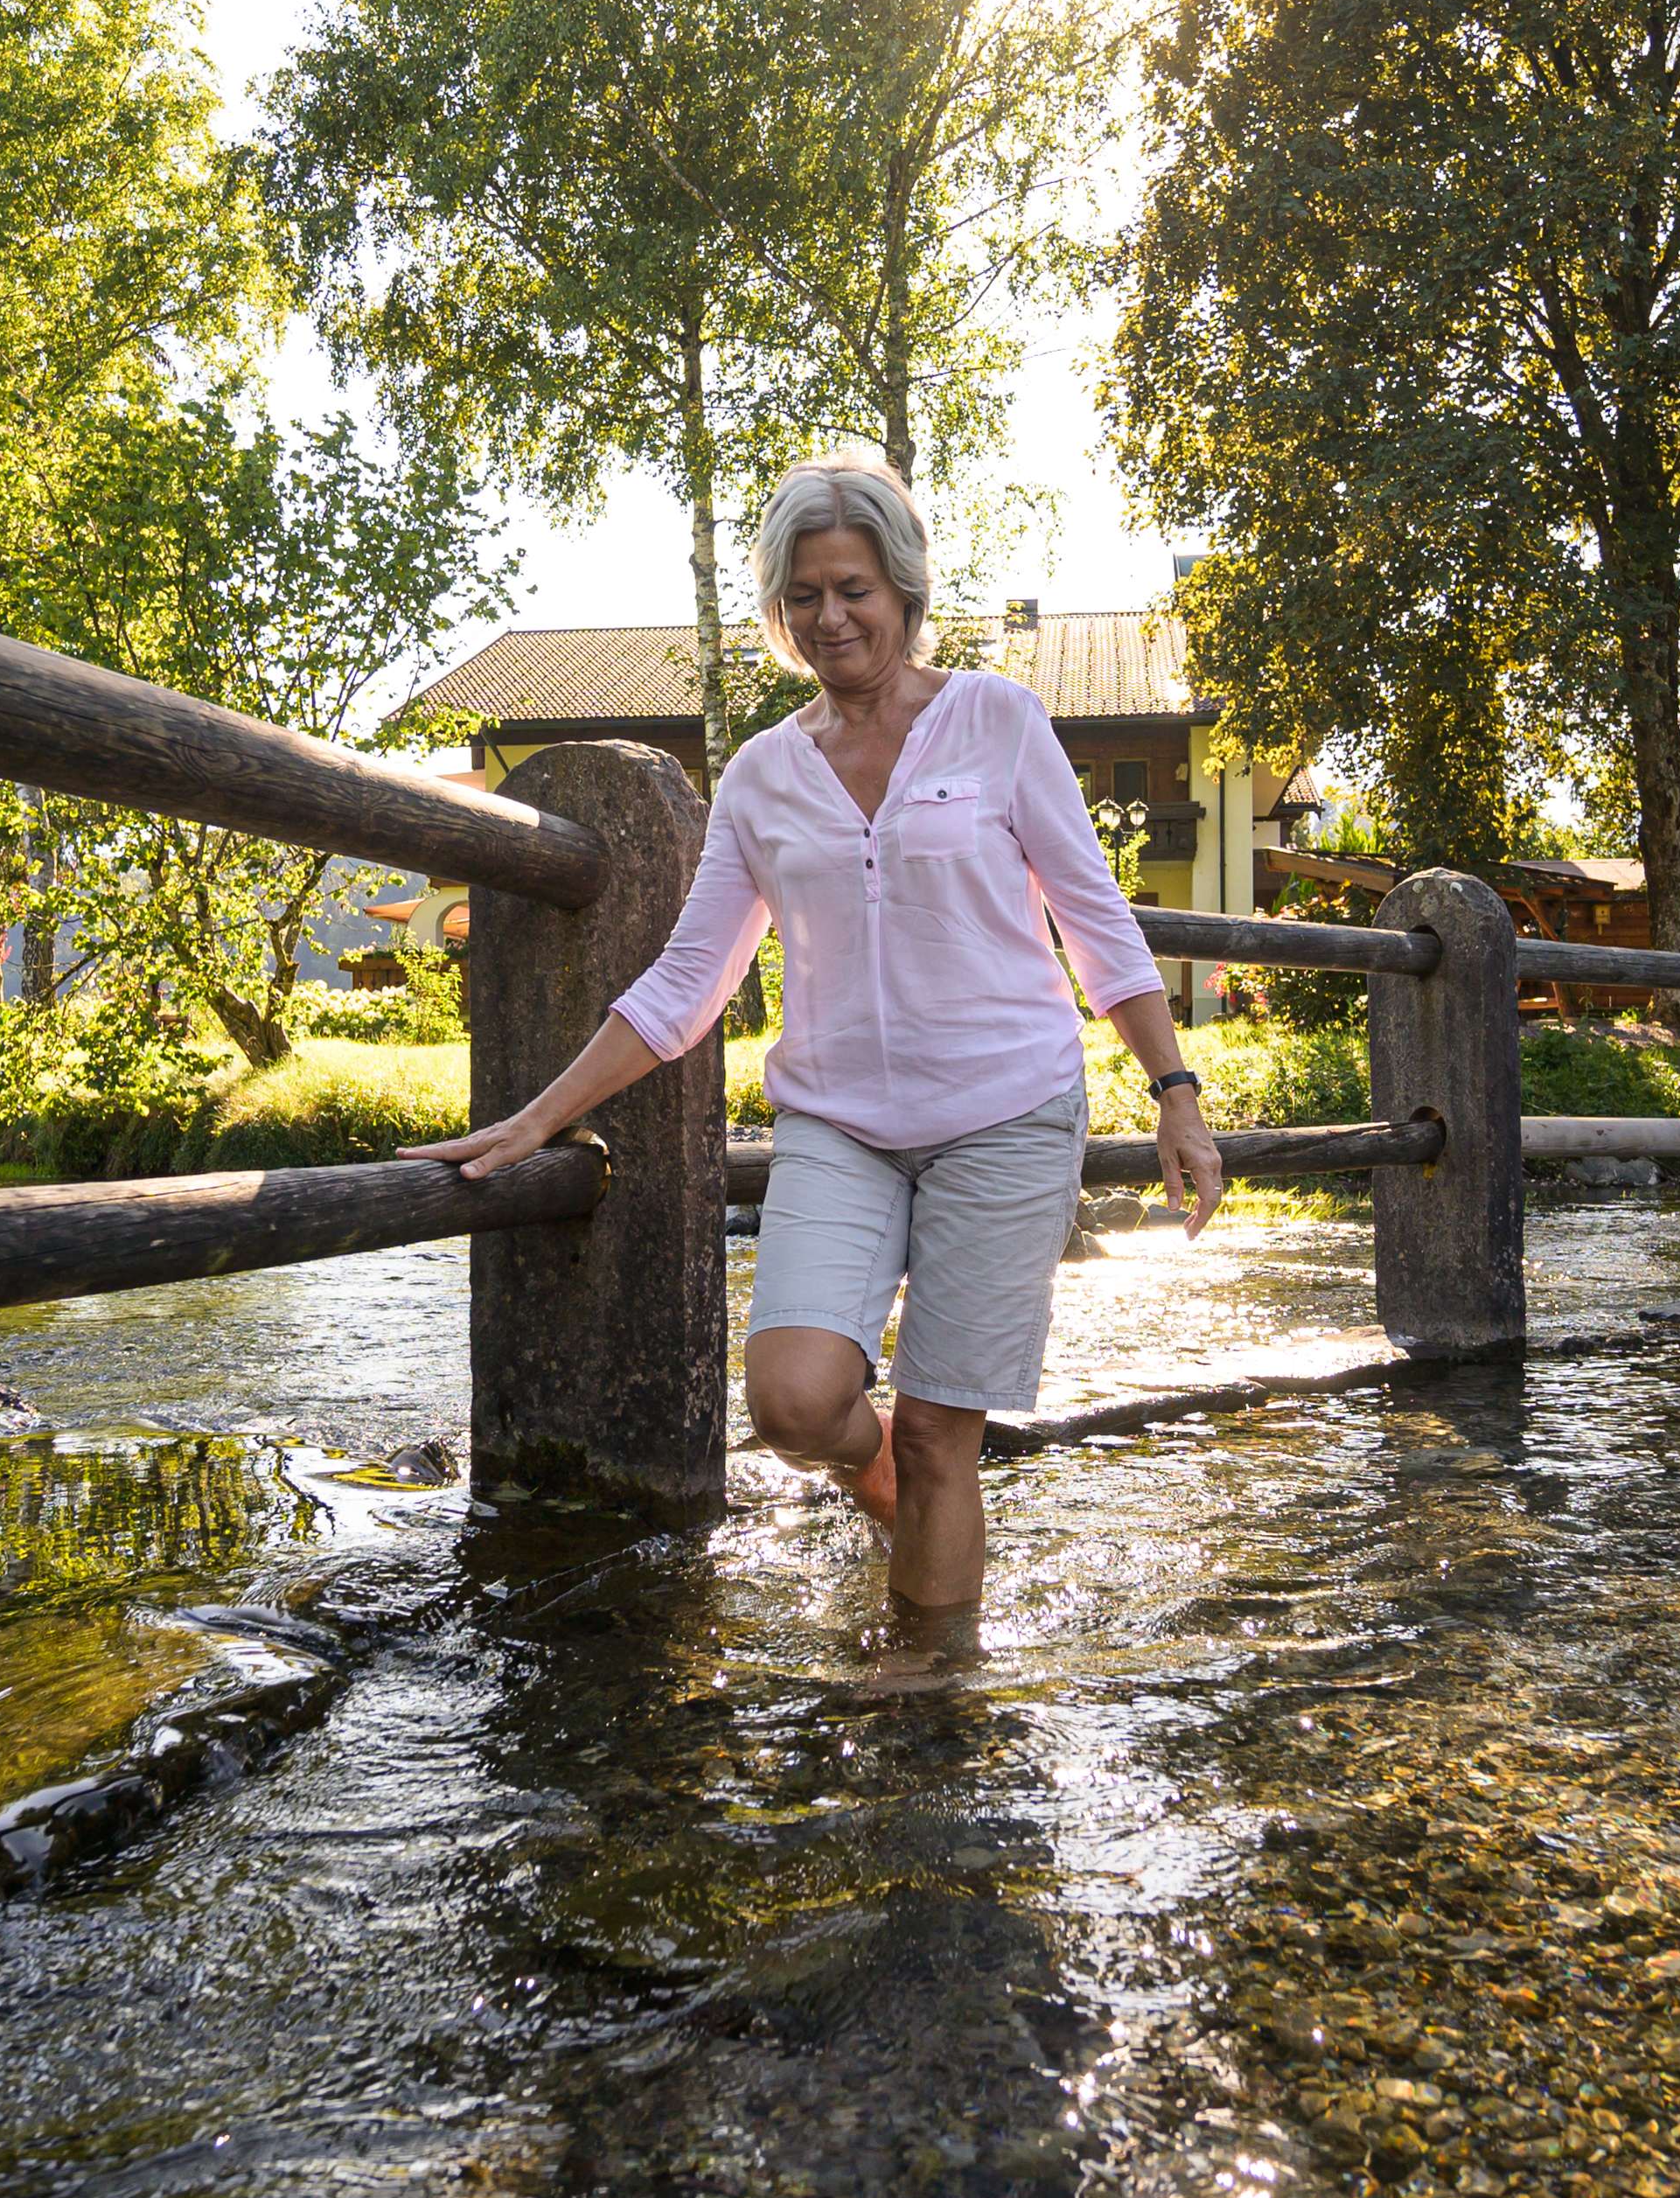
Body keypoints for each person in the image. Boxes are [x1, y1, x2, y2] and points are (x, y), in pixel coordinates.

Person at [408, 462, 1223, 1636]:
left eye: (852, 588)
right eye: (803, 596)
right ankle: (915, 1498)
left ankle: (927, 1699)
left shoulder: (998, 721)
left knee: (947, 1431)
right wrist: (541, 1114)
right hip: (840, 1125)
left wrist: (1175, 1092)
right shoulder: (761, 775)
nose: (830, 616)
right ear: (780, 613)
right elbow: (689, 981)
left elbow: (1095, 922)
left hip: (1006, 1112)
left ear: (902, 587)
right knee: (794, 1404)